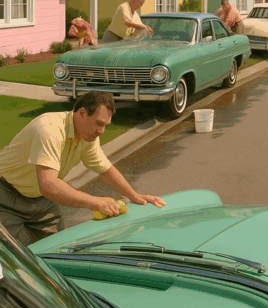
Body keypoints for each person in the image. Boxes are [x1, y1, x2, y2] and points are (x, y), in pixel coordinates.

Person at [0, 92, 166, 245]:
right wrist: (96, 202)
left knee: (58, 247)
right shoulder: (49, 130)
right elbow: (48, 184)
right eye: (99, 123)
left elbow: (104, 169)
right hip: (5, 198)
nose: (101, 131)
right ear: (81, 114)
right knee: (18, 260)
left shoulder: (88, 136)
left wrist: (134, 196)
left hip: (40, 199)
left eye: (106, 125)